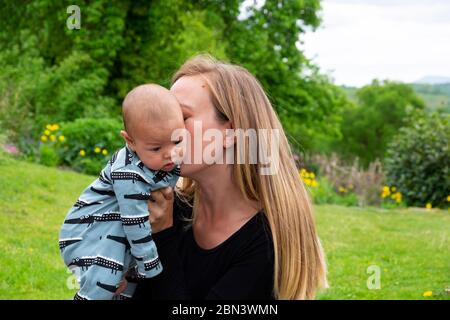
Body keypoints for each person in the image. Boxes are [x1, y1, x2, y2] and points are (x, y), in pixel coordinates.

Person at [131, 55, 328, 300]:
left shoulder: (267, 243)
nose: (161, 127)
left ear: (230, 133)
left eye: (182, 116)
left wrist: (162, 237)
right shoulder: (170, 208)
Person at [59, 84, 184, 300]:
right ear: (130, 141)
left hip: (117, 234)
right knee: (104, 284)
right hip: (88, 232)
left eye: (177, 141)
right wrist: (149, 264)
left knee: (127, 291)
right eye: (156, 148)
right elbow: (134, 222)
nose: (170, 154)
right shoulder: (128, 173)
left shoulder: (160, 160)